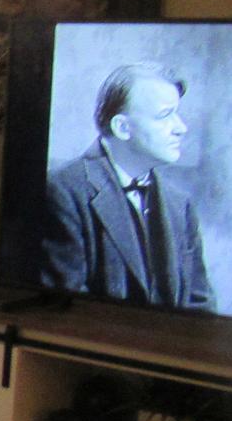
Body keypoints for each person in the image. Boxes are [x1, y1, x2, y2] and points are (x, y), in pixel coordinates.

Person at [41, 61, 213, 308]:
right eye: (165, 115)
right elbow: (64, 308)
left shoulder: (180, 204)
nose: (181, 128)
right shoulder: (63, 191)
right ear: (122, 127)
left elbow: (200, 303)